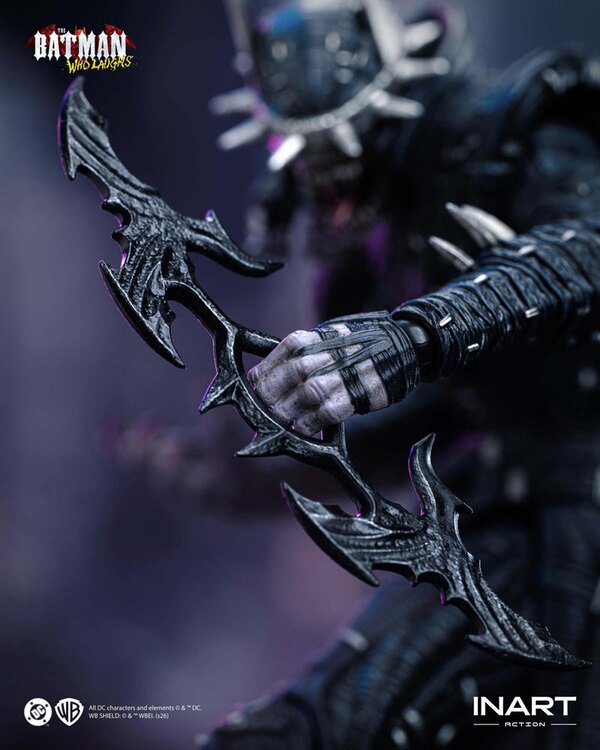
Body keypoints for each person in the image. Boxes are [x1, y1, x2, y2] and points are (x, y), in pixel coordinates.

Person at [202, 1, 600, 747]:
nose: (327, 186)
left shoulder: (515, 135)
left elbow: (588, 253)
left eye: (340, 149)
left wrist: (415, 336)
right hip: (505, 517)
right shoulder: (381, 224)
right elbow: (459, 409)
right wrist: (260, 472)